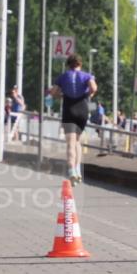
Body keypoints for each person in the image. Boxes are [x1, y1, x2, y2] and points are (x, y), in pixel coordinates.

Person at [51, 54, 97, 185]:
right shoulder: (86, 75)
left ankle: (71, 171)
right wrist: (86, 94)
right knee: (77, 141)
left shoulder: (63, 77)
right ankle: (78, 170)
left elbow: (53, 92)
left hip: (69, 108)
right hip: (82, 109)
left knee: (70, 142)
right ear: (80, 64)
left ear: (68, 65)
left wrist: (62, 96)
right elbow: (94, 88)